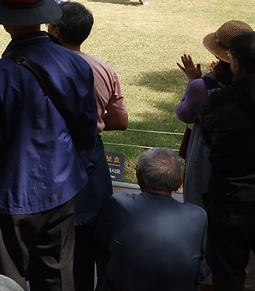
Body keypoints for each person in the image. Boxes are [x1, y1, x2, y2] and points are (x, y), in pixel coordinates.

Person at [0, 0, 97, 290]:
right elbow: (87, 128)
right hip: (62, 187)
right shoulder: (77, 64)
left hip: (9, 194)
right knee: (57, 278)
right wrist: (77, 168)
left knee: (3, 281)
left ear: (5, 21)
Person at [48, 2, 129, 291]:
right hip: (91, 155)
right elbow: (121, 121)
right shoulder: (103, 69)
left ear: (55, 31)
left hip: (50, 155)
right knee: (93, 231)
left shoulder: (39, 65)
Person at [95, 148, 207, 291]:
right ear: (179, 182)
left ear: (138, 175)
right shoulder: (198, 215)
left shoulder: (120, 203)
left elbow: (100, 237)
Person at [176, 20, 254, 208]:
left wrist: (192, 81)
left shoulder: (202, 86)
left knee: (199, 205)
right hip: (245, 170)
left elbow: (185, 114)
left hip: (206, 154)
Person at [199, 30, 255, 289]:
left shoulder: (220, 102)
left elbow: (208, 123)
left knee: (227, 274)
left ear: (235, 63)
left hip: (231, 203)